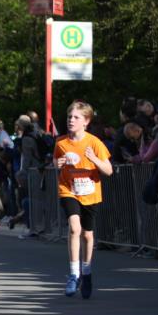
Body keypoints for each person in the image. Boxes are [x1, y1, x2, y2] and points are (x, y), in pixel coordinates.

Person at [54, 101, 112, 299]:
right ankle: (73, 274)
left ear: (86, 121)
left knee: (87, 235)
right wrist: (58, 163)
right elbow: (56, 161)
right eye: (70, 116)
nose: (71, 120)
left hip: (90, 193)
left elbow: (109, 170)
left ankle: (86, 273)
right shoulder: (61, 143)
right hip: (68, 190)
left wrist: (94, 159)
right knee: (74, 228)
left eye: (76, 117)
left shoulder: (94, 143)